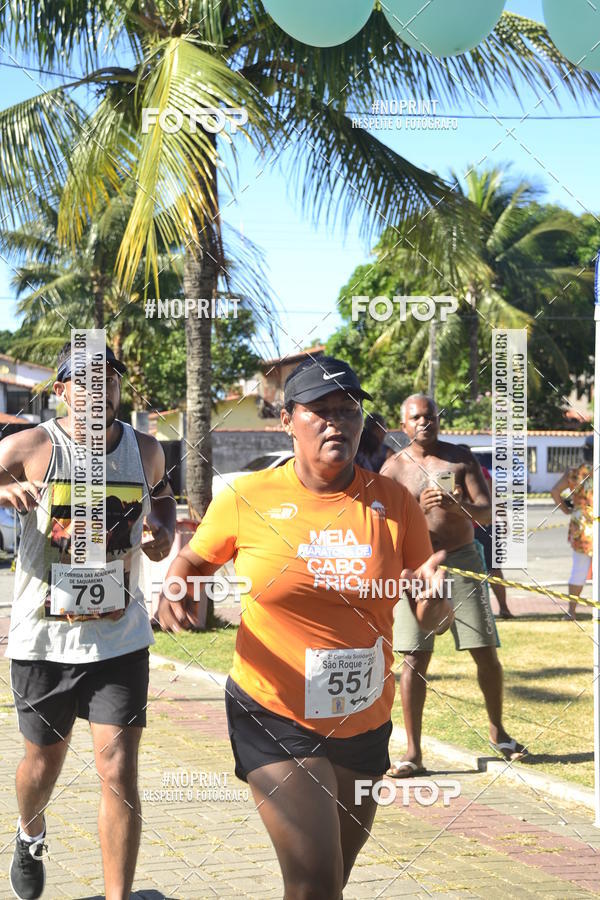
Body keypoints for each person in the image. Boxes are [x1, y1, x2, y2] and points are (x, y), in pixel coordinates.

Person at [157, 357, 452, 900]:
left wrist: (435, 606)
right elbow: (194, 561)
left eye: (348, 410)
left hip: (364, 721)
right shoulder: (249, 498)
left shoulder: (394, 505)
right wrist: (179, 591)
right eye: (321, 411)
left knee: (331, 875)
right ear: (287, 420)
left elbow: (425, 607)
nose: (337, 422)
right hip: (273, 711)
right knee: (315, 877)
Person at [3, 341, 175, 900]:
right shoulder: (33, 444)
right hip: (43, 641)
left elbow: (163, 495)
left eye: (109, 381)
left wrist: (163, 532)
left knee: (119, 769)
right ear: (63, 391)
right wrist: (8, 487)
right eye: (85, 381)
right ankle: (30, 833)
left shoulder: (145, 449)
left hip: (120, 637)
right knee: (41, 764)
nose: (99, 392)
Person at [380, 394, 527, 778]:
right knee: (413, 658)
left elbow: (489, 509)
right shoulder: (393, 468)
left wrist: (460, 506)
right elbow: (379, 521)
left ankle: (499, 732)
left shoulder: (460, 459)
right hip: (415, 567)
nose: (424, 423)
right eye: (416, 418)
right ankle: (413, 753)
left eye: (430, 416)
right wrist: (414, 503)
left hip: (462, 562)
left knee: (485, 652)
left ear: (438, 419)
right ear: (404, 423)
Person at [455, 446, 513, 619]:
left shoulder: (456, 472)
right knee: (492, 569)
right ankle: (503, 608)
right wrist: (504, 521)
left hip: (476, 527)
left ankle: (498, 608)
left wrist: (503, 520)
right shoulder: (481, 472)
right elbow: (495, 497)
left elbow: (495, 497)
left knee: (475, 570)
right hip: (483, 526)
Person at [550, 436, 593, 621]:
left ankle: (572, 611)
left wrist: (567, 510)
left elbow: (554, 491)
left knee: (579, 568)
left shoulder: (573, 472)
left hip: (580, 522)